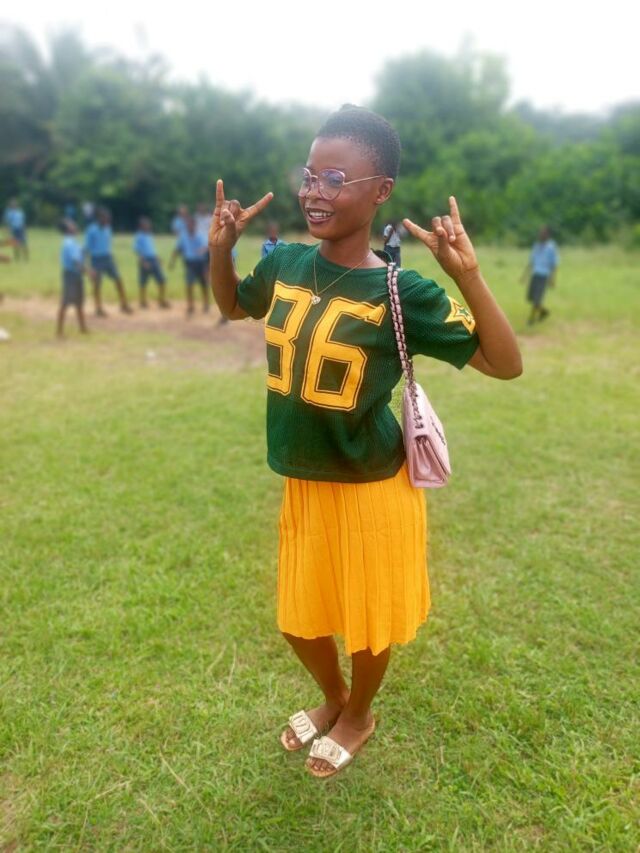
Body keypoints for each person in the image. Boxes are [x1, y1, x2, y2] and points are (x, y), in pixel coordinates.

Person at [210, 105, 522, 780]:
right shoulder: (285, 263)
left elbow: (505, 362)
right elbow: (233, 305)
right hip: (304, 481)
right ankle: (333, 696)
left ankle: (358, 713)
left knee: (368, 619)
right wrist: (219, 252)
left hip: (372, 486)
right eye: (309, 175)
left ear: (380, 190)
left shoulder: (399, 289)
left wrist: (468, 275)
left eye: (334, 178)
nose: (313, 191)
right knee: (299, 618)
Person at [84, 208, 133, 316]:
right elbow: (87, 248)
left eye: (108, 219)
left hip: (108, 258)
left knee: (118, 280)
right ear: (99, 218)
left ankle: (124, 304)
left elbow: (107, 244)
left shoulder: (108, 229)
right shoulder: (91, 230)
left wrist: (112, 257)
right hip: (96, 259)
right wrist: (88, 266)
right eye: (105, 218)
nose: (108, 220)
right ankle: (98, 308)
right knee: (97, 284)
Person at [169, 215, 209, 315]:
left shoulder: (200, 235)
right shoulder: (183, 236)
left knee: (203, 284)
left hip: (200, 263)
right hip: (190, 263)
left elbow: (206, 247)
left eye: (191, 224)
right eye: (188, 225)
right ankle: (190, 306)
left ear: (195, 225)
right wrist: (172, 262)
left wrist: (201, 250)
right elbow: (178, 249)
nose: (189, 226)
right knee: (189, 284)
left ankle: (206, 303)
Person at [57, 219, 89, 338]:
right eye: (72, 225)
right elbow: (76, 262)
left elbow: (80, 255)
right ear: (67, 230)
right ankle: (59, 331)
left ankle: (82, 328)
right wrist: (88, 272)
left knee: (79, 302)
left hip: (76, 274)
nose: (75, 226)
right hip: (71, 275)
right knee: (66, 302)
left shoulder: (74, 242)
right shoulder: (69, 243)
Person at [522, 226, 559, 325]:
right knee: (530, 298)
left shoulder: (551, 247)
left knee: (537, 299)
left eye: (543, 233)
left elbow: (554, 264)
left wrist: (552, 278)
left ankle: (531, 319)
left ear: (548, 235)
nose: (540, 235)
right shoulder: (536, 246)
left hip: (544, 276)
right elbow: (532, 261)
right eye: (540, 233)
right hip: (535, 274)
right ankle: (544, 312)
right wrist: (525, 275)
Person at [133, 217, 170, 309]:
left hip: (153, 259)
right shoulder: (139, 236)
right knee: (143, 282)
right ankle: (142, 301)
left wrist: (158, 258)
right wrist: (143, 262)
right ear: (141, 226)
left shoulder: (149, 235)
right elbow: (138, 250)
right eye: (146, 225)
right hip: (145, 259)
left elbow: (151, 249)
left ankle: (161, 300)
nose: (148, 226)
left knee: (162, 280)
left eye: (148, 225)